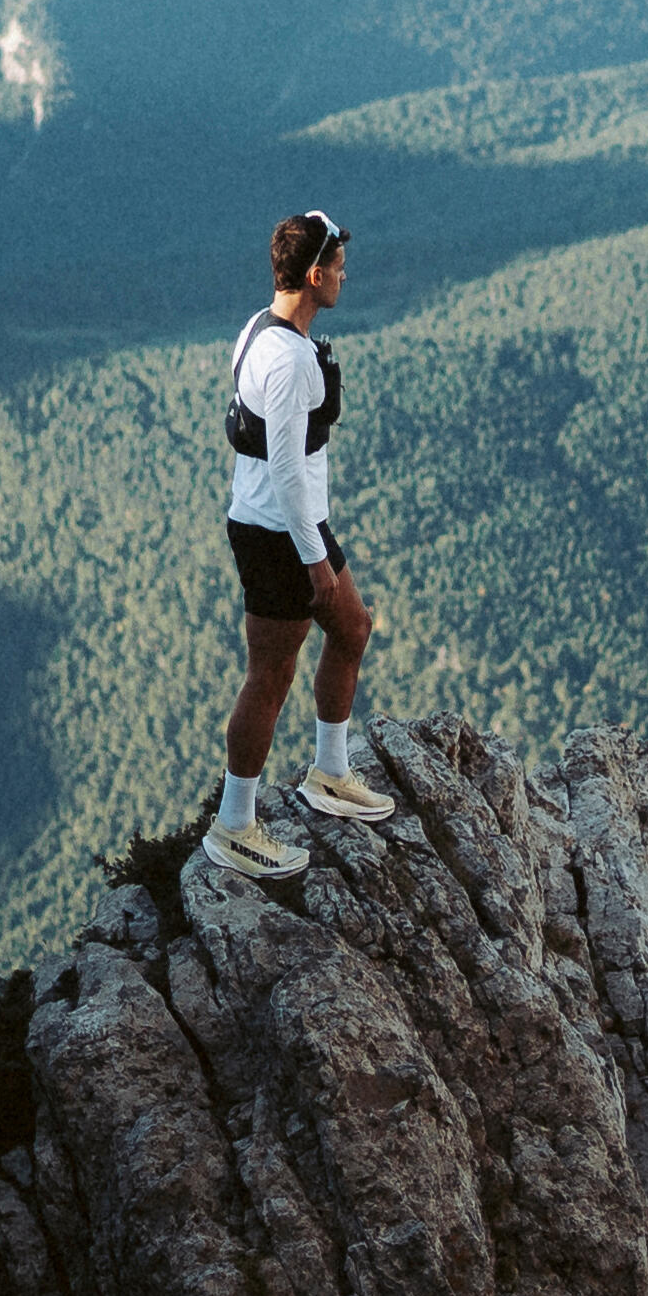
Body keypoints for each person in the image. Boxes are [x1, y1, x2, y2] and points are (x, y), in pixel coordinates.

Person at [208, 207, 392, 880]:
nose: (346, 275)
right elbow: (285, 467)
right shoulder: (286, 359)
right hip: (279, 534)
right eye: (338, 267)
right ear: (314, 275)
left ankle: (330, 772)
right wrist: (313, 555)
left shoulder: (259, 328)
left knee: (352, 627)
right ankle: (234, 824)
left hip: (294, 524)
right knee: (271, 676)